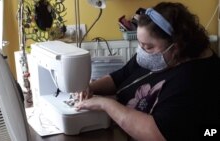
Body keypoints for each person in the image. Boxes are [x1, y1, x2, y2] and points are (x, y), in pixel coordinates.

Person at [75, 2, 220, 141]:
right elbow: (120, 76)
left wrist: (105, 104)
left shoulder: (194, 79)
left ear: (176, 48)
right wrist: (90, 87)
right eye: (140, 44)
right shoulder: (157, 56)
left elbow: (157, 134)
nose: (141, 51)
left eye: (148, 47)